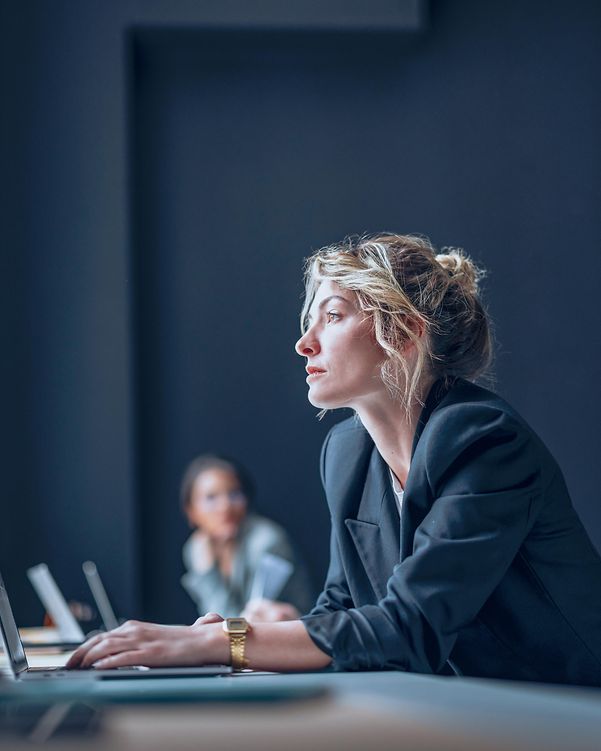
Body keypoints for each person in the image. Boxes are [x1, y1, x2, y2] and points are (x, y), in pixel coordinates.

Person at [68, 233, 601, 686]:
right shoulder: (346, 453)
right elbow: (342, 610)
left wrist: (221, 644)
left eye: (333, 316)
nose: (305, 343)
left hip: (564, 710)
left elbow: (409, 628)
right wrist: (232, 632)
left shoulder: (484, 440)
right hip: (459, 709)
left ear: (404, 333)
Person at [180, 453, 314, 621]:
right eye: (211, 498)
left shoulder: (267, 542)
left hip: (289, 636)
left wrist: (208, 574)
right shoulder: (197, 547)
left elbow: (238, 626)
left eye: (234, 494)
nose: (225, 506)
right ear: (191, 512)